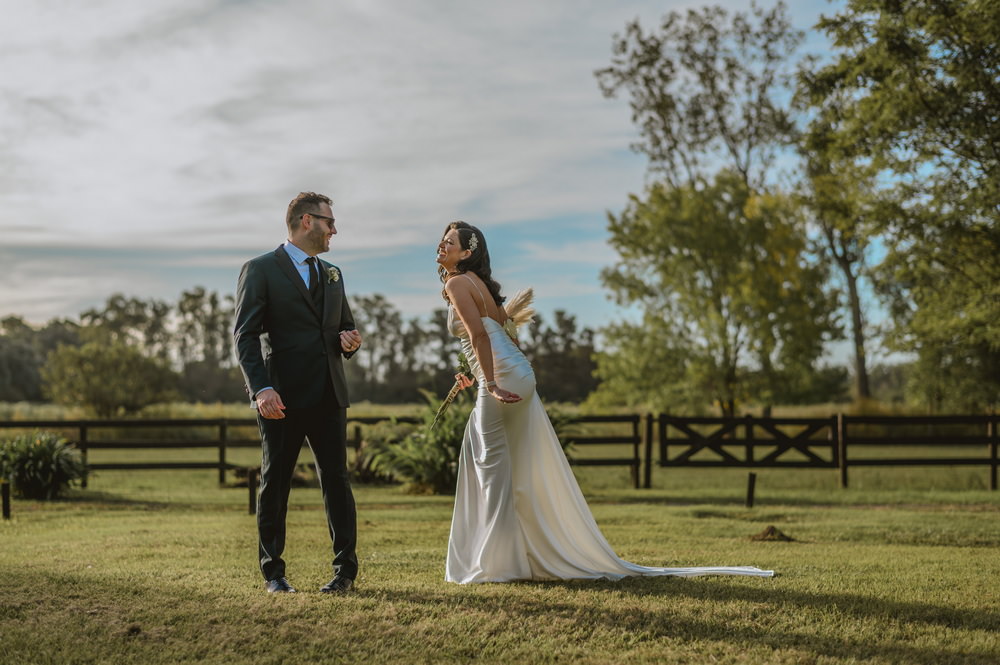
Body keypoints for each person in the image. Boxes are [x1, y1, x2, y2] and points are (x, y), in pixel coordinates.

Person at [436, 221, 774, 583]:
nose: (441, 245)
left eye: (450, 241)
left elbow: (478, 335)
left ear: (467, 253)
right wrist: (475, 373)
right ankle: (514, 558)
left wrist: (490, 382)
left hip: (502, 377)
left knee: (491, 462)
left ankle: (496, 566)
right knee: (503, 461)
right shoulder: (481, 286)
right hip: (518, 373)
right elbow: (493, 334)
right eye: (443, 240)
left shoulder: (457, 282)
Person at [234, 191, 363, 594]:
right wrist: (261, 389)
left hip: (329, 393)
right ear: (307, 221)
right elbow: (245, 336)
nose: (334, 229)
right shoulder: (260, 269)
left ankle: (345, 572)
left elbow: (344, 326)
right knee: (275, 482)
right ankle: (273, 573)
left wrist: (350, 341)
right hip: (281, 397)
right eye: (329, 222)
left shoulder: (334, 273)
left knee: (337, 482)